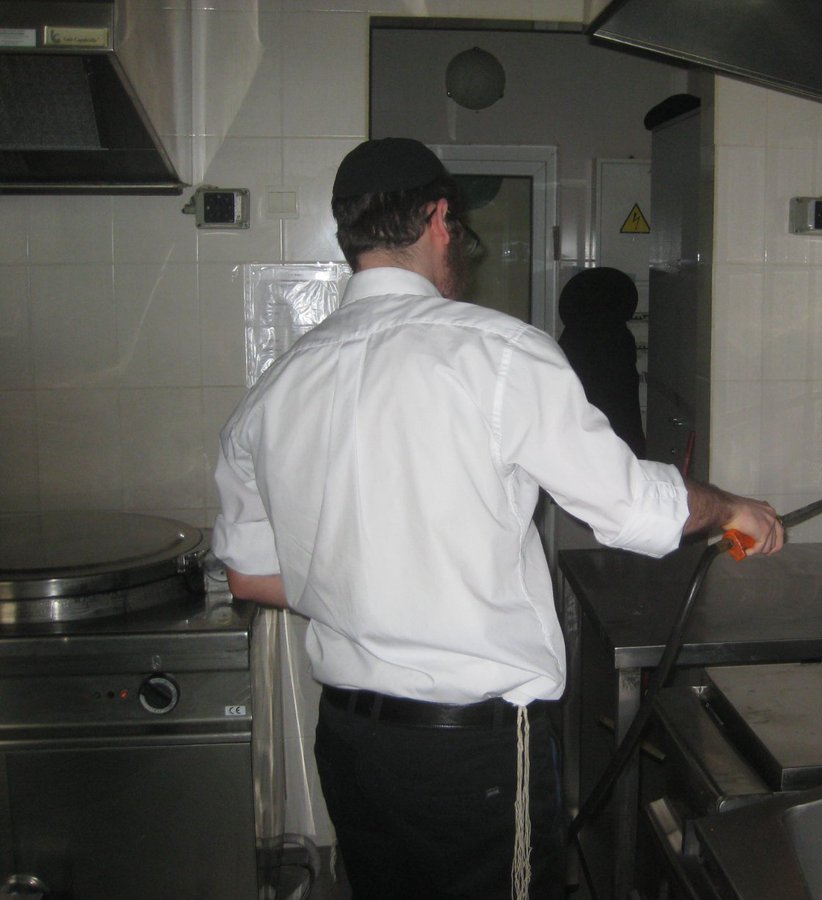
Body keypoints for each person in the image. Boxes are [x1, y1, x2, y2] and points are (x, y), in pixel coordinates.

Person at [211, 137, 784, 900]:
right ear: (440, 218)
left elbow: (250, 575)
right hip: (471, 752)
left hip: (350, 743)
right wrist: (729, 507)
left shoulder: (275, 387)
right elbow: (631, 510)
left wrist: (357, 582)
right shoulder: (500, 354)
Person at [557, 266, 647, 457]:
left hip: (580, 437)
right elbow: (618, 402)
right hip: (611, 438)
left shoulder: (572, 336)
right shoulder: (616, 337)